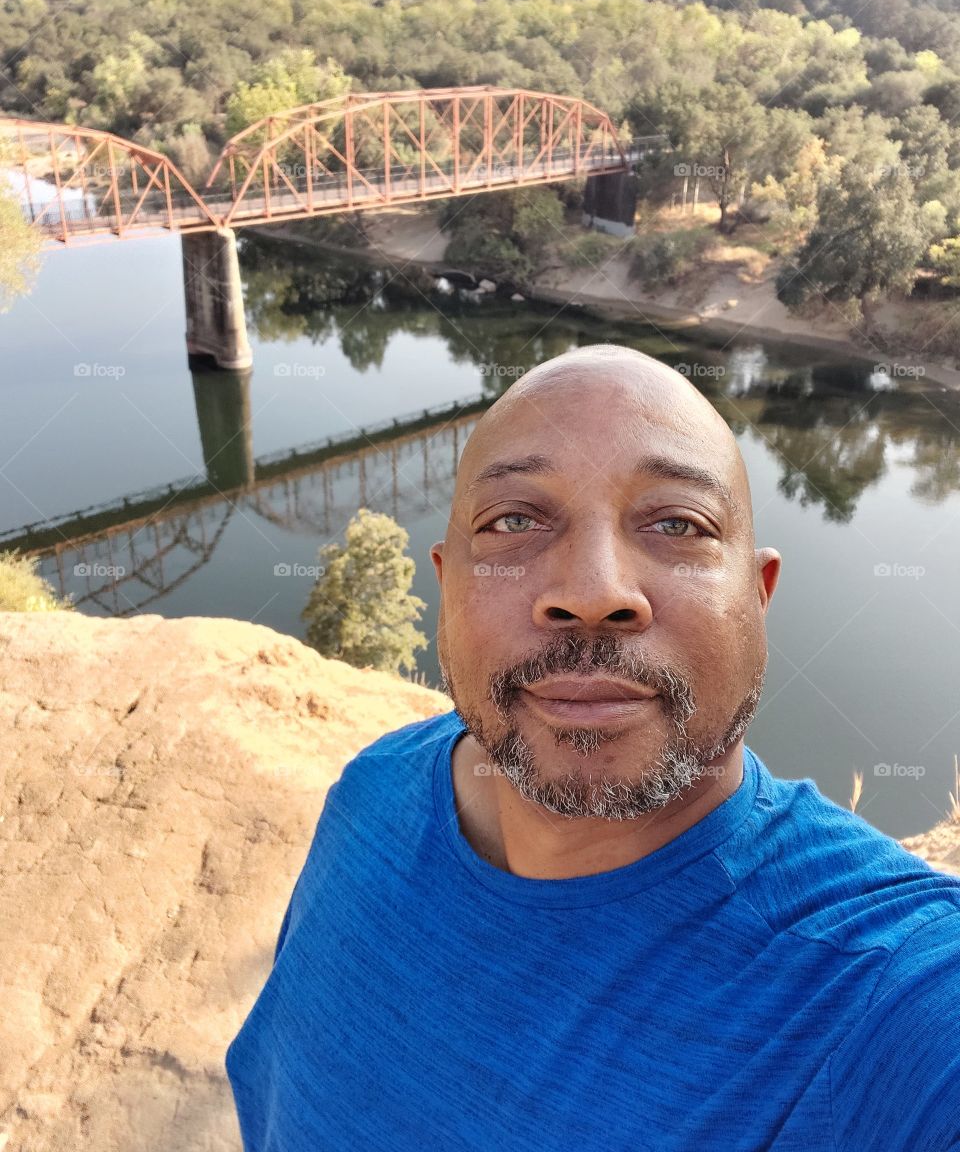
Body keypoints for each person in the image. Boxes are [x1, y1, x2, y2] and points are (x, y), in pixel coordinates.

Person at [226, 344, 960, 1150]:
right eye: (513, 521)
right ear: (446, 586)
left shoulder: (891, 994)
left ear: (759, 594)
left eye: (678, 523)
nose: (591, 593)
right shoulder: (368, 795)